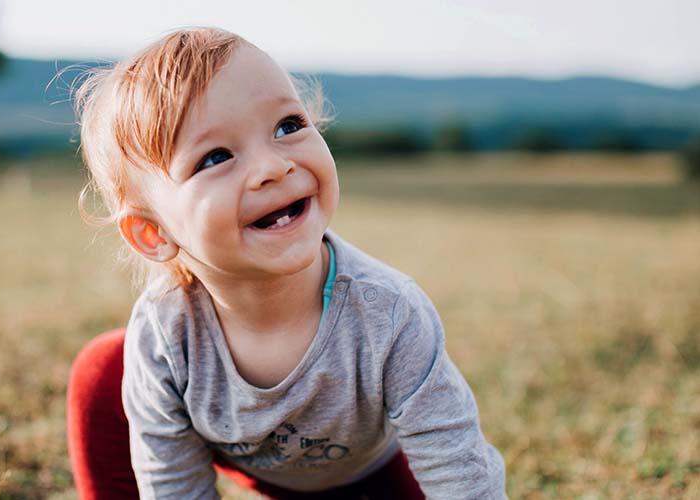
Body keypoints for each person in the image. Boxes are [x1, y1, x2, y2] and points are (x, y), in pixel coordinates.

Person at [66, 27, 507, 500]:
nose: (273, 167)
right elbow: (174, 486)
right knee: (105, 368)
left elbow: (458, 469)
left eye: (288, 126)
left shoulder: (390, 314)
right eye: (215, 157)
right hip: (252, 468)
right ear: (153, 234)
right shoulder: (167, 331)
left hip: (371, 476)